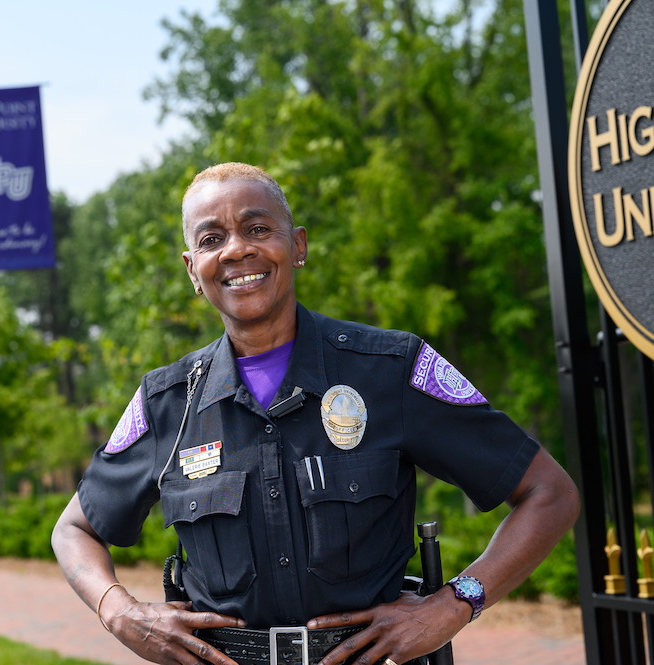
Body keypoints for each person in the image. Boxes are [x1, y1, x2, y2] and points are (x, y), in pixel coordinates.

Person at [51, 162, 580, 665]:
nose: (237, 249)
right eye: (211, 239)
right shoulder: (167, 401)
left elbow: (549, 494)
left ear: (297, 245)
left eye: (258, 229)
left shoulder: (391, 369)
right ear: (193, 269)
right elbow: (74, 528)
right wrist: (119, 612)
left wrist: (455, 604)